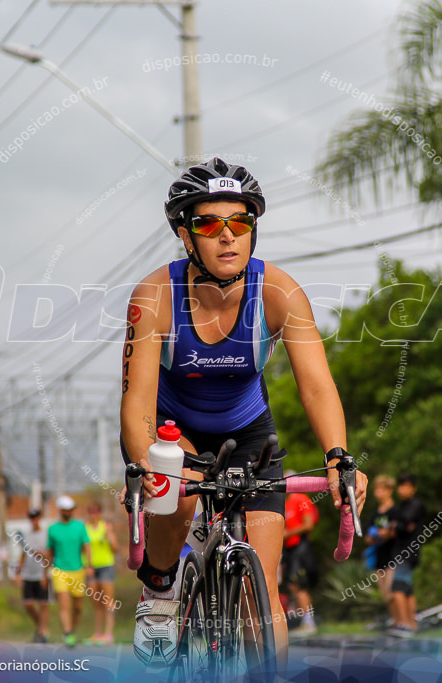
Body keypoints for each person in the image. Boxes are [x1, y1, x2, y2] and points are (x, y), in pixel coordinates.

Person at [120, 157, 368, 668]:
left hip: (251, 435)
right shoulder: (155, 295)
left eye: (241, 223)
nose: (227, 236)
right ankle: (162, 592)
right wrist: (148, 462)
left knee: (264, 589)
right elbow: (137, 398)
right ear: (186, 237)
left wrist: (339, 457)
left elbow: (317, 386)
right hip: (174, 432)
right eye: (210, 224)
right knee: (180, 499)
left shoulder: (278, 291)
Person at [45, 495, 92, 648]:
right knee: (64, 605)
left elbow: (87, 546)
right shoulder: (53, 529)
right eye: (66, 510)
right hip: (59, 571)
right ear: (60, 510)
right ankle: (67, 633)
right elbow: (49, 552)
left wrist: (89, 565)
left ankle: (72, 630)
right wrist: (45, 573)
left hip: (78, 570)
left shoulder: (80, 526)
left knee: (78, 607)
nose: (69, 512)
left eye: (71, 509)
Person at [282, 476, 319, 635]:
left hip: (300, 547)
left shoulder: (300, 498)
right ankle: (303, 621)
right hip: (290, 549)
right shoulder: (287, 502)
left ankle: (309, 622)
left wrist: (287, 533)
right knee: (292, 584)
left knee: (299, 583)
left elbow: (308, 524)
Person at [389, 472, 424, 635]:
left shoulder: (415, 505)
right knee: (408, 589)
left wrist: (396, 525)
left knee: (398, 588)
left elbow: (404, 525)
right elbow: (400, 524)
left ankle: (404, 625)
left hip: (408, 552)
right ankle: (412, 625)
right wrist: (397, 525)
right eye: (400, 486)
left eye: (406, 486)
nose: (402, 490)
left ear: (413, 488)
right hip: (402, 551)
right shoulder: (401, 506)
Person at [365, 475, 399, 631]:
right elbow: (367, 537)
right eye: (376, 489)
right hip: (379, 557)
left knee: (393, 590)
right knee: (385, 594)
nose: (377, 493)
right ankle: (393, 621)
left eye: (381, 489)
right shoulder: (375, 515)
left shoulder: (395, 511)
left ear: (389, 490)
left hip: (393, 556)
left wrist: (385, 533)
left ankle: (401, 621)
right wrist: (378, 536)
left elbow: (395, 532)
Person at [84, 501, 118, 646]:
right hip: (91, 567)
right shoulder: (85, 529)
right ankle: (98, 634)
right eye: (91, 511)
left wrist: (109, 534)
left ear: (100, 513)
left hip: (106, 566)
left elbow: (115, 548)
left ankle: (109, 634)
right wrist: (87, 565)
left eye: (97, 511)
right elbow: (83, 548)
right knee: (96, 602)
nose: (94, 514)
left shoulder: (106, 527)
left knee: (108, 601)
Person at [16, 508, 51, 643]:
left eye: (36, 517)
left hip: (41, 574)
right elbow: (23, 554)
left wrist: (44, 575)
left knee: (43, 604)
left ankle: (42, 631)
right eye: (31, 517)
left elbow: (48, 556)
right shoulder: (26, 534)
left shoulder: (45, 534)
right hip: (28, 574)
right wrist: (18, 572)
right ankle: (41, 628)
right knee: (28, 604)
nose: (33, 520)